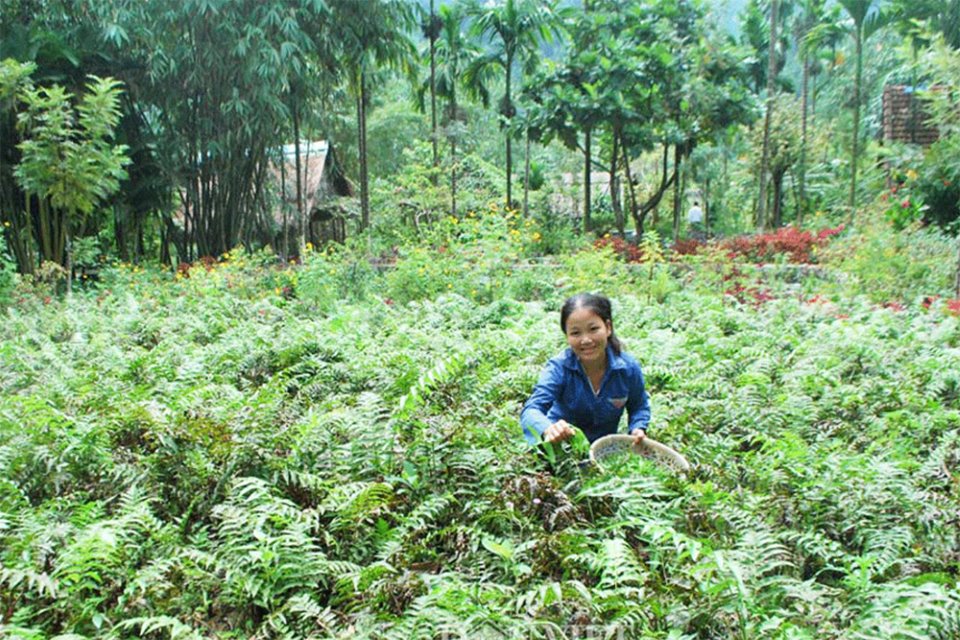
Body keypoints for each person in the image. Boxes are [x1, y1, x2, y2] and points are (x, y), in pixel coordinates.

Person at [521, 293, 650, 446]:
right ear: (567, 336)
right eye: (575, 333)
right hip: (563, 449)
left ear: (608, 328)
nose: (586, 340)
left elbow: (639, 405)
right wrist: (548, 429)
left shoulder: (627, 368)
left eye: (593, 329)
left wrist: (637, 428)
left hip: (604, 450)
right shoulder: (559, 368)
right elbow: (531, 410)